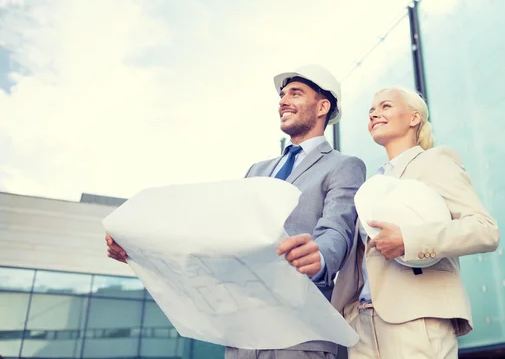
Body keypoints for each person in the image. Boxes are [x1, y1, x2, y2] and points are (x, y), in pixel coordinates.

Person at [106, 64, 366, 359]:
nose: (283, 101)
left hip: (299, 334)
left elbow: (337, 229)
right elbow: (219, 235)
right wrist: (139, 250)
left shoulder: (343, 166)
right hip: (243, 333)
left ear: (322, 106)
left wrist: (318, 255)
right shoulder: (258, 170)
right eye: (282, 95)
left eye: (295, 93)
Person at [331, 86, 500, 359]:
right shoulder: (373, 185)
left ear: (414, 118)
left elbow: (484, 230)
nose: (374, 114)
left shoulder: (435, 161)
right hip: (362, 326)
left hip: (415, 321)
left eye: (385, 106)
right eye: (371, 110)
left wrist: (409, 241)